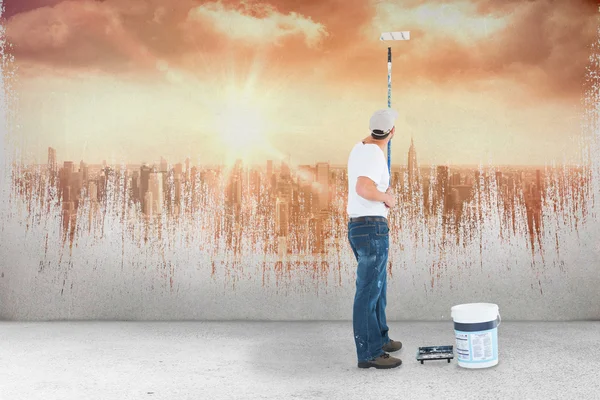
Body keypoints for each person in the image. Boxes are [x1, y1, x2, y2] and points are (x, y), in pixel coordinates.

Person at [346, 108, 403, 369]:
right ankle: (369, 353)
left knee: (376, 288)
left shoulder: (360, 148)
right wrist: (386, 197)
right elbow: (363, 187)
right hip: (371, 228)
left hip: (362, 227)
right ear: (393, 132)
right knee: (369, 292)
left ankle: (380, 339)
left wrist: (380, 191)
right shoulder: (375, 154)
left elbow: (366, 184)